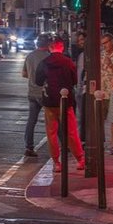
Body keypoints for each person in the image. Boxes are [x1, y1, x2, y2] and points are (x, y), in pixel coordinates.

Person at [34, 37, 84, 170]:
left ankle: (56, 162)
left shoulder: (45, 62)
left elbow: (38, 81)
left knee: (51, 133)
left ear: (50, 48)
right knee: (71, 131)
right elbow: (74, 80)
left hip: (50, 101)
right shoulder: (68, 62)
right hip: (66, 101)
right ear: (61, 47)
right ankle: (80, 158)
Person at [21, 33, 52, 159]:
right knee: (53, 120)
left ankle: (29, 147)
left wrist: (33, 78)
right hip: (45, 93)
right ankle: (62, 146)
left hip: (32, 92)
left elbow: (24, 74)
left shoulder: (30, 56)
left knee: (31, 121)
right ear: (48, 44)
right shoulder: (49, 57)